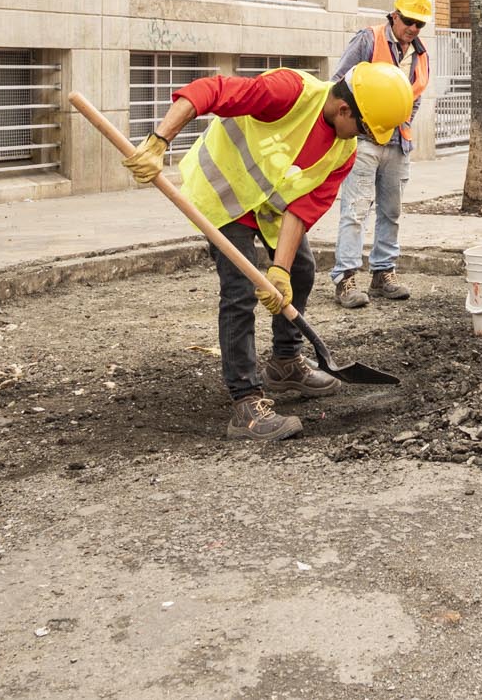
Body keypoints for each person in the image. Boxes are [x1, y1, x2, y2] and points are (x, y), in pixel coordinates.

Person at [120, 62, 414, 442]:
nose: (361, 138)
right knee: (241, 288)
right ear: (344, 110)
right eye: (362, 127)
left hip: (268, 208)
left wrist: (279, 271)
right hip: (222, 197)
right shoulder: (289, 92)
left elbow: (300, 209)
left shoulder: (343, 152)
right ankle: (245, 403)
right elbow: (208, 91)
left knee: (302, 271)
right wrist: (159, 141)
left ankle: (286, 362)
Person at [329, 0, 432, 309]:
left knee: (391, 212)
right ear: (395, 15)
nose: (413, 29)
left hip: (398, 142)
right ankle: (345, 279)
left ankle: (383, 273)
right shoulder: (368, 39)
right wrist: (355, 125)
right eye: (409, 21)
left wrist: (402, 120)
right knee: (355, 211)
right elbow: (339, 83)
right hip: (363, 140)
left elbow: (414, 96)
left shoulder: (420, 54)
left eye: (420, 24)